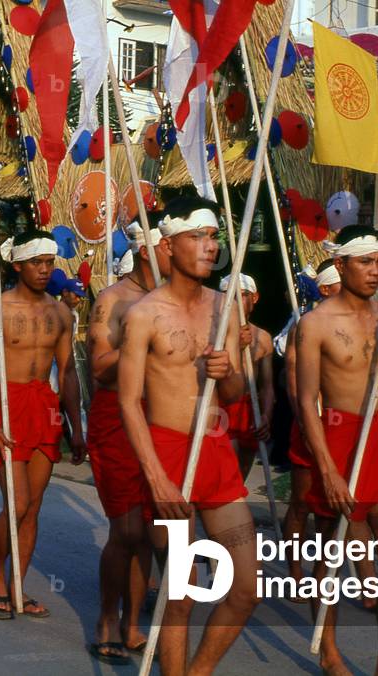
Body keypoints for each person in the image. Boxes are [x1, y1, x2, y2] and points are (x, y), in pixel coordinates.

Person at [118, 196, 257, 675]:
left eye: (214, 236)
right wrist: (155, 478)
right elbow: (127, 400)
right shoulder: (144, 314)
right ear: (169, 245)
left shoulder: (224, 309)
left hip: (215, 451)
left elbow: (236, 392)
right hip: (166, 453)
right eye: (197, 237)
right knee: (181, 594)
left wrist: (227, 371)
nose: (208, 246)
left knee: (246, 588)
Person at [295, 225, 378, 676]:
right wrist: (326, 470)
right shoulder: (316, 324)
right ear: (341, 265)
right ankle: (328, 651)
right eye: (365, 262)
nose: (375, 271)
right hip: (339, 438)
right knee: (329, 558)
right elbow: (307, 401)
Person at [0, 229, 85, 620]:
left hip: (44, 404)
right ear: (17, 264)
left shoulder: (60, 313)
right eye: (36, 263)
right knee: (16, 503)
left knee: (33, 507)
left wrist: (77, 426)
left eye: (49, 263)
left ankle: (18, 585)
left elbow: (68, 373)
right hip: (7, 402)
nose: (44, 270)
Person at [85, 219, 170, 664]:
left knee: (151, 532)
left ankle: (133, 624)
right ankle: (106, 618)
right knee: (128, 529)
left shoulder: (178, 300)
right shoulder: (113, 301)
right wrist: (139, 339)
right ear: (148, 253)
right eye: (172, 249)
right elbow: (99, 368)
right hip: (116, 419)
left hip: (162, 422)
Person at [281, 258, 341, 586]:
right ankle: (294, 572)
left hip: (343, 427)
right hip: (311, 421)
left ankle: (322, 574)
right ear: (326, 289)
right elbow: (293, 377)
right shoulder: (304, 327)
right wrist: (306, 420)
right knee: (302, 503)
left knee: (330, 510)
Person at [218, 272, 273, 479]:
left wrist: (267, 415)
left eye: (242, 295)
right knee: (226, 476)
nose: (236, 302)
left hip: (250, 410)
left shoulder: (263, 338)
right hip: (222, 408)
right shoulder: (212, 333)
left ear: (254, 298)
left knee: (241, 476)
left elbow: (267, 386)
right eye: (229, 295)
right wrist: (236, 347)